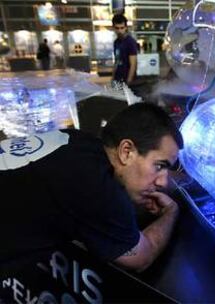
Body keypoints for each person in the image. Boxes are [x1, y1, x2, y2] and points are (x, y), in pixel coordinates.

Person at [0, 102, 183, 274]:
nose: (163, 182)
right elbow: (142, 258)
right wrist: (171, 212)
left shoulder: (77, 140)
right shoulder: (96, 187)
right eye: (159, 166)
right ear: (126, 151)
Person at [112, 14, 138, 86]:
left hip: (127, 80)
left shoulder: (130, 42)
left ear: (126, 27)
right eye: (117, 28)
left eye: (122, 28)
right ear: (113, 28)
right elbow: (116, 61)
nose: (120, 31)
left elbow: (133, 64)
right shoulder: (116, 42)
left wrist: (129, 82)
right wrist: (113, 78)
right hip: (117, 80)